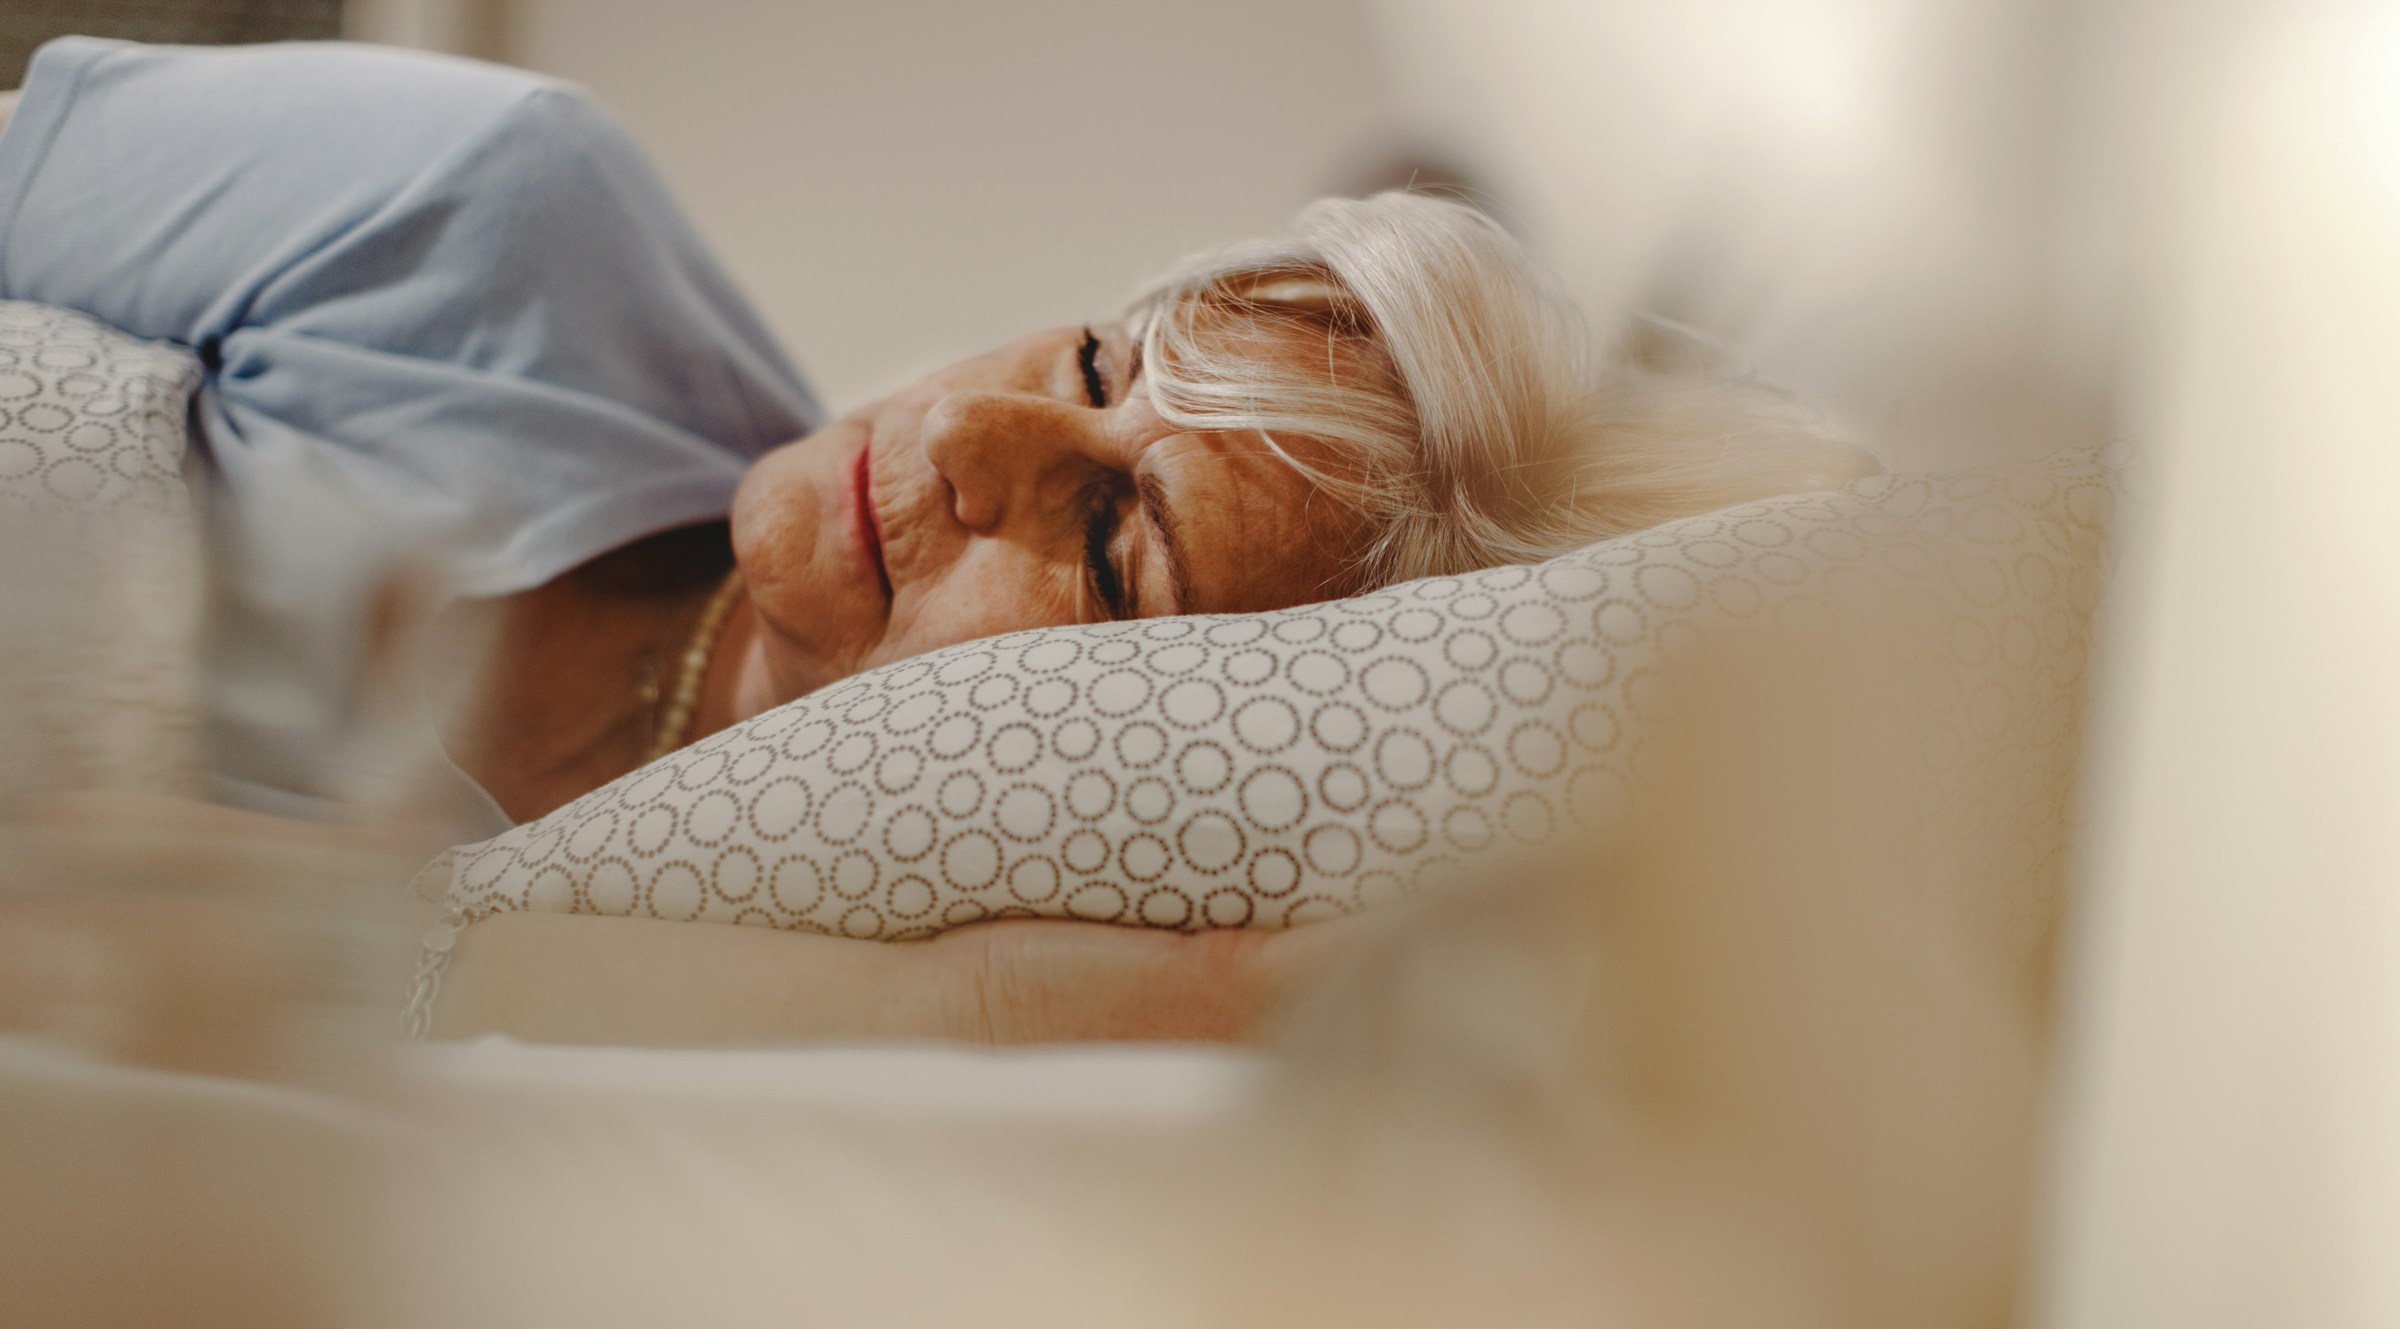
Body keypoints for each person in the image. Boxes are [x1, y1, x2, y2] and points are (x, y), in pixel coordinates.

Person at [0, 36, 1867, 1046]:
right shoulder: (495, 221)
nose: (969, 433)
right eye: (1091, 361)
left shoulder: (782, 942)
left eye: (1119, 543)